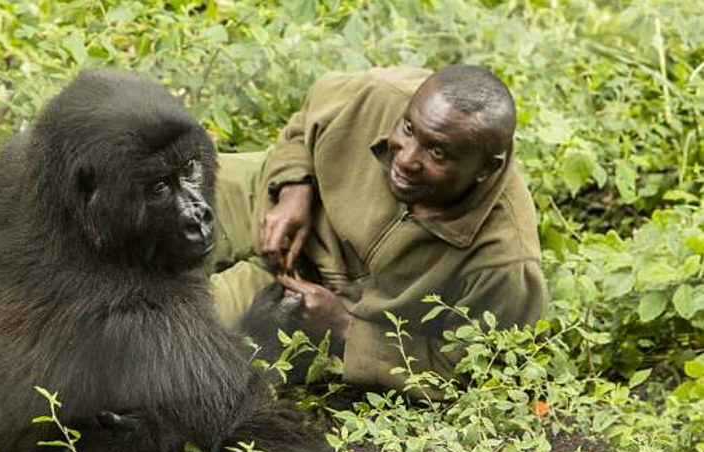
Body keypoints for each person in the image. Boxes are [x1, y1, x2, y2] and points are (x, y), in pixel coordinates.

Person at [209, 65, 547, 396]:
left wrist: (344, 328)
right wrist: (293, 187)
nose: (405, 159)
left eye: (437, 152)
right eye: (408, 130)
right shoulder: (383, 94)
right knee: (164, 190)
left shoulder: (504, 261)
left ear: (486, 169)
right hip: (272, 197)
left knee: (180, 342)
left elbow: (467, 371)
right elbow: (306, 123)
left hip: (304, 300)